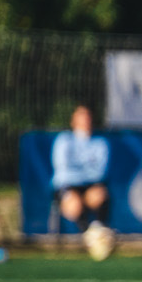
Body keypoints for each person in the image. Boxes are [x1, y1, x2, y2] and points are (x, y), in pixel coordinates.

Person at [52, 104, 115, 258]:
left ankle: (99, 230)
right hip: (67, 186)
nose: (85, 121)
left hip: (90, 185)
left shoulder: (100, 143)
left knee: (99, 194)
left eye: (87, 117)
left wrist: (81, 173)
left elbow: (100, 172)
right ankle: (90, 236)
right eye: (81, 117)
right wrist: (84, 171)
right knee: (73, 203)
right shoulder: (64, 140)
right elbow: (62, 168)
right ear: (73, 121)